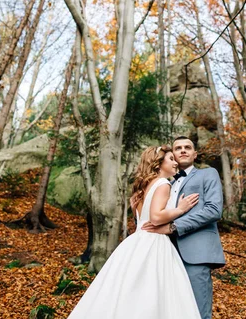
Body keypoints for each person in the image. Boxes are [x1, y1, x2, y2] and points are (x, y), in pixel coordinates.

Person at [68, 145, 202, 318]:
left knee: (126, 291)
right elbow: (155, 218)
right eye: (170, 159)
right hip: (154, 242)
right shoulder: (163, 184)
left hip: (136, 241)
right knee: (153, 293)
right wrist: (180, 209)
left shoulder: (142, 188)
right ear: (158, 163)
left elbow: (142, 219)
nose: (175, 162)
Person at [143, 136, 225, 319]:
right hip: (165, 253)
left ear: (195, 154)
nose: (183, 150)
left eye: (187, 147)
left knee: (198, 311)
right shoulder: (165, 184)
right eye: (178, 148)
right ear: (172, 155)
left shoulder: (208, 174)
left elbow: (214, 210)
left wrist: (173, 227)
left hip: (195, 254)